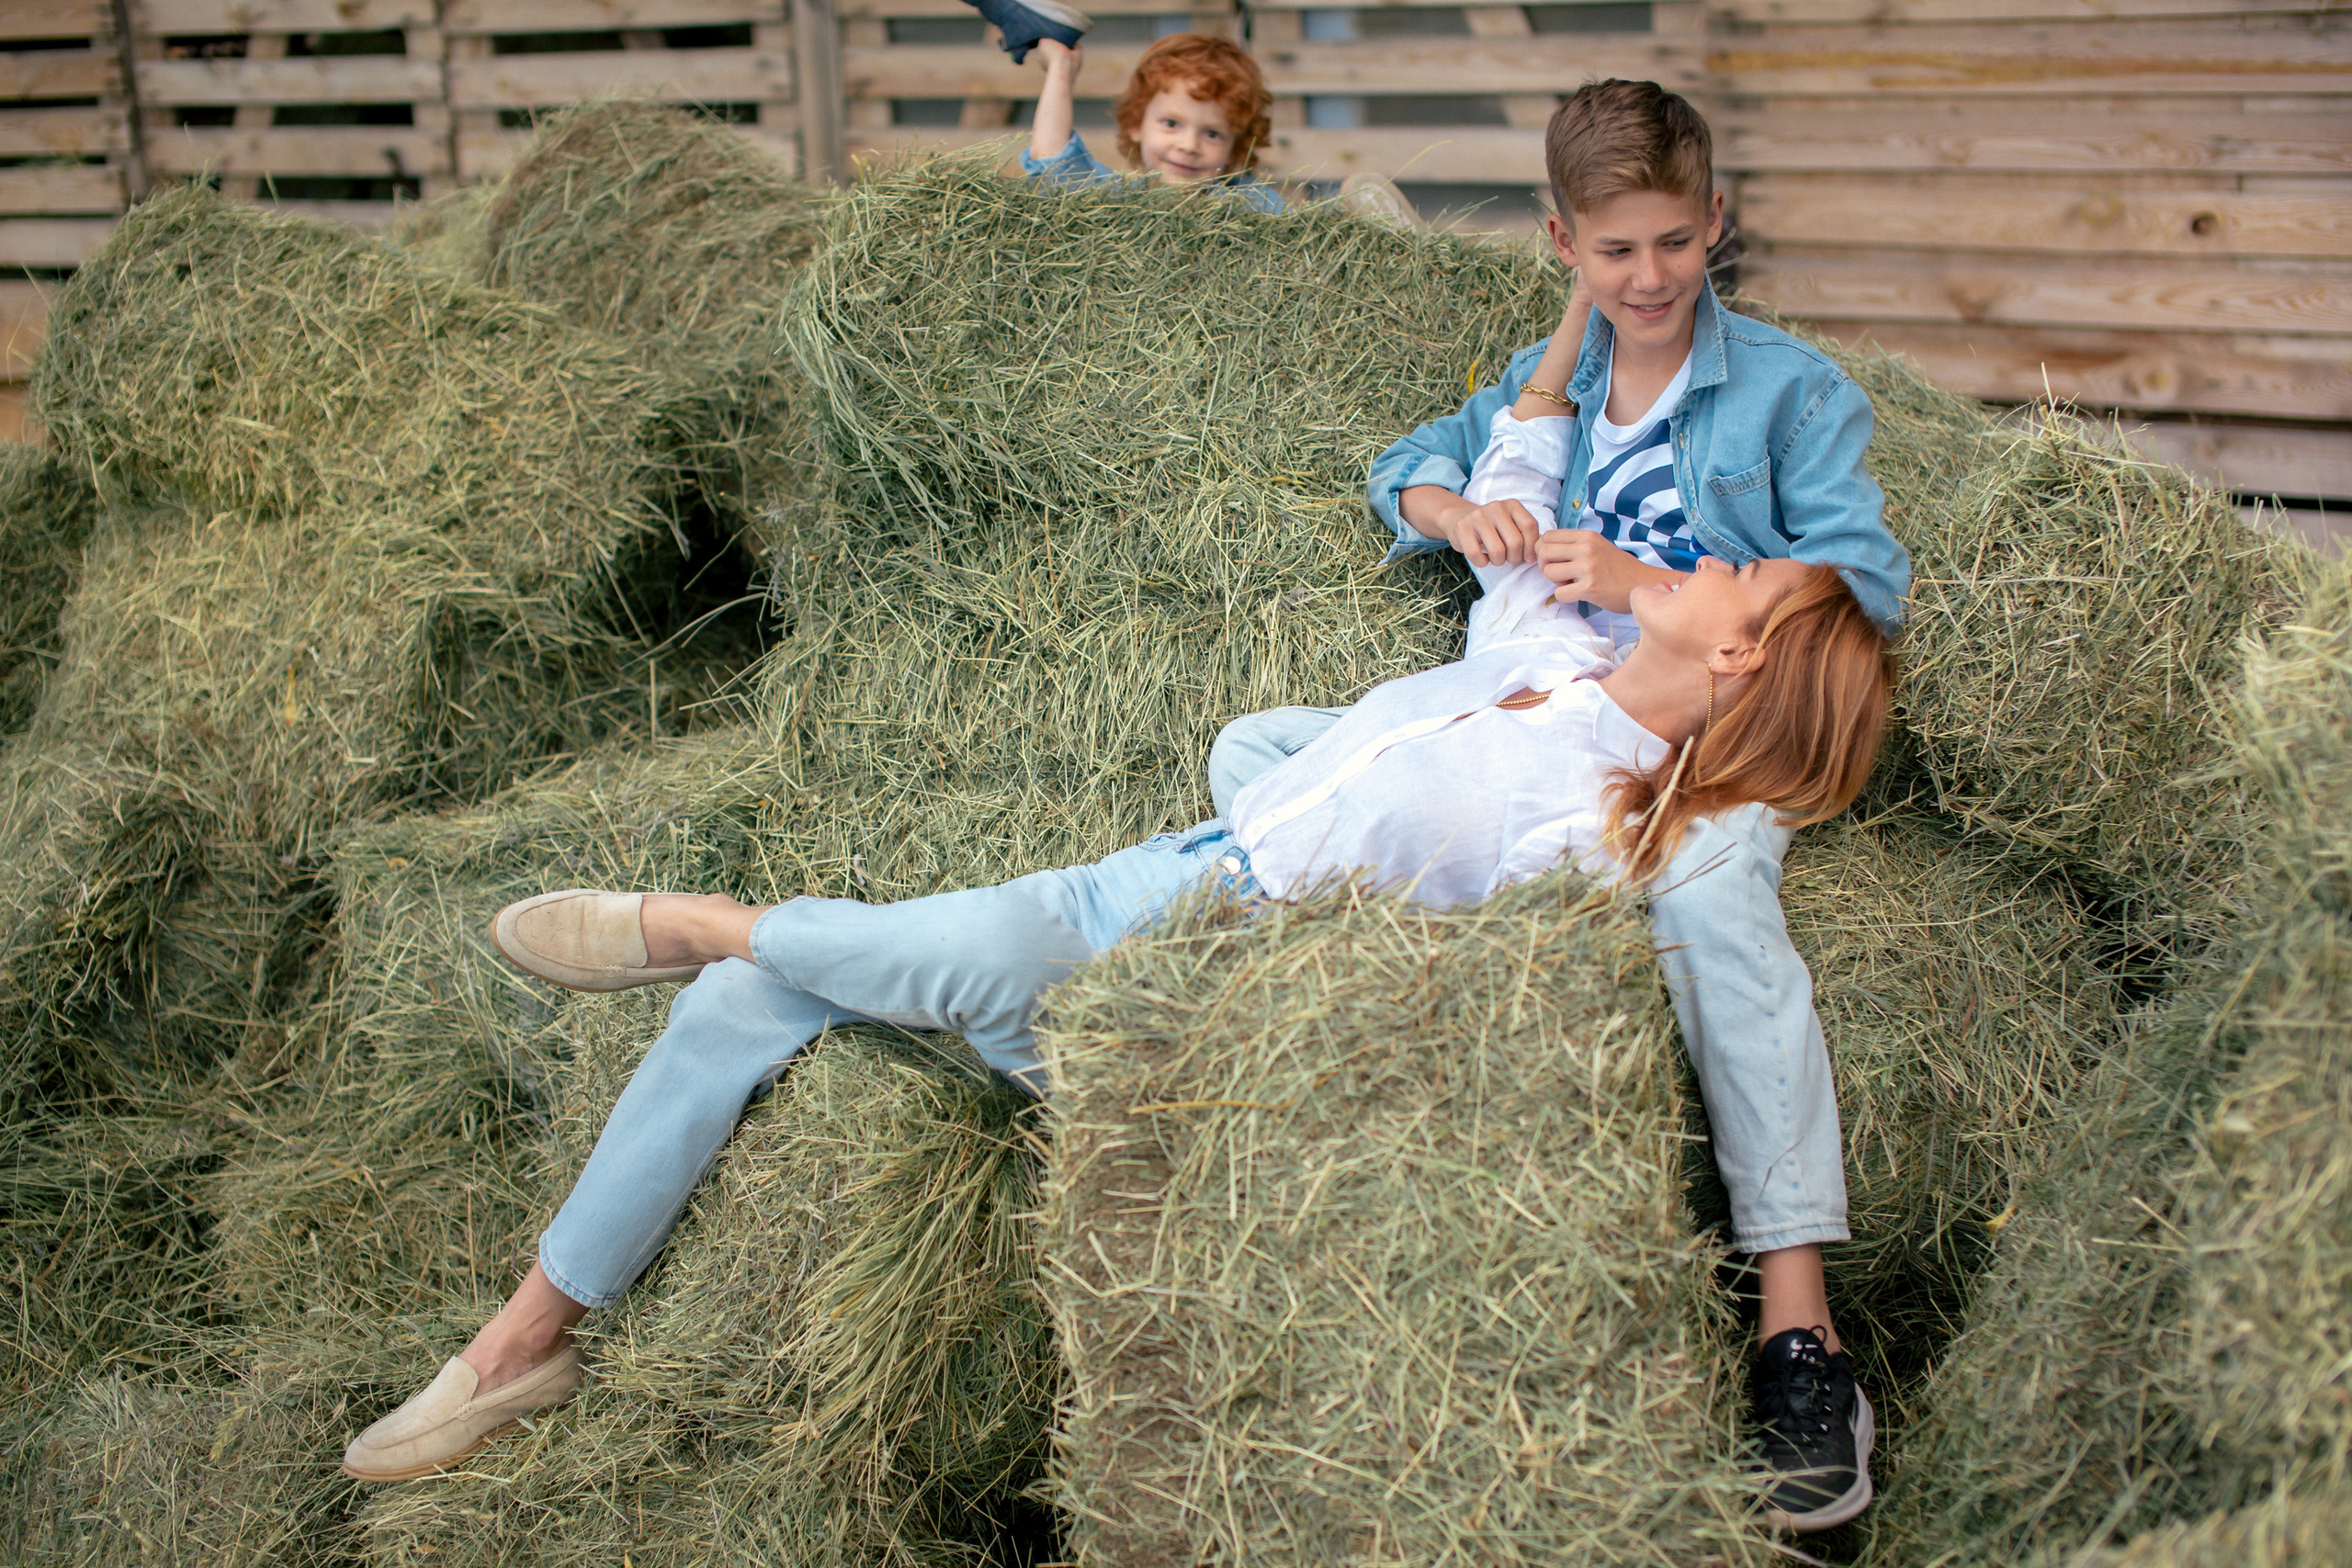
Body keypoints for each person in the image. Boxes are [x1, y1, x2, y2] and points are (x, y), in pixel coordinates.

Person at [340, 545, 1893, 1536]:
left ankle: (710, 913)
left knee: (932, 952)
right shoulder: (1542, 670)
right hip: (1168, 879)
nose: (1705, 557)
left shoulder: (1689, 836)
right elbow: (1333, 733)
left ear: (1746, 659)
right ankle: (518, 1345)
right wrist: (1266, 794)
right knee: (748, 1012)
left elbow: (1759, 1027)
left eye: (1740, 573)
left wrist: (1793, 1325)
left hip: (1200, 995)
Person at [1204, 76, 1915, 1533]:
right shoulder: (1567, 382)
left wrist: (1644, 585)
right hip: (1536, 702)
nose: (1648, 278)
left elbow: (1866, 582)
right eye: (1615, 252)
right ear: (1562, 243)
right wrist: (1457, 513)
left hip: (1695, 721)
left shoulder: (1789, 389)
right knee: (1258, 748)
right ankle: (1427, 999)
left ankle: (1800, 1333)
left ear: (1715, 223)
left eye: (1672, 242)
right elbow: (1404, 464)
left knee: (1714, 886)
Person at [1017, 33, 1283, 214]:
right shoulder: (1116, 201)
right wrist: (1060, 67)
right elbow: (1053, 163)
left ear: (1237, 147)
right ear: (1137, 122)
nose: (1189, 146)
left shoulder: (1255, 206)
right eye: (1171, 123)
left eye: (1212, 134)